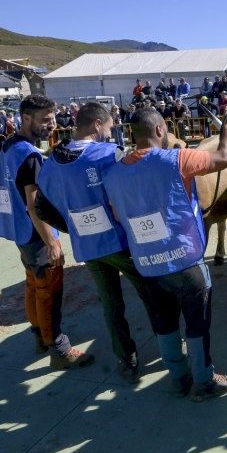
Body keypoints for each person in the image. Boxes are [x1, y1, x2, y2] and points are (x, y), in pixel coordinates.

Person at [102, 106, 227, 400]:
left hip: (146, 265)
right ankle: (204, 380)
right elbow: (225, 157)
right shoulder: (177, 159)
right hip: (185, 260)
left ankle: (178, 378)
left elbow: (117, 215)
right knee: (197, 321)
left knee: (163, 322)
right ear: (160, 131)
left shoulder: (112, 175)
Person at [35, 102, 145, 380]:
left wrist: (73, 228)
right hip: (121, 243)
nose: (110, 133)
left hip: (89, 248)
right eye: (109, 127)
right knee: (154, 294)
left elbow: (42, 208)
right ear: (97, 124)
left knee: (111, 306)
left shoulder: (50, 163)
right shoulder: (109, 154)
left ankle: (126, 361)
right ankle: (172, 349)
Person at [0, 95, 91, 369]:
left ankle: (39, 335)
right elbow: (34, 205)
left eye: (53, 117)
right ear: (26, 119)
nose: (52, 124)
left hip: (20, 231)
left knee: (33, 284)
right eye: (45, 119)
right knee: (49, 288)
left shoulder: (10, 144)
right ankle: (58, 349)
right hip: (36, 233)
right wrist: (52, 241)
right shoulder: (30, 156)